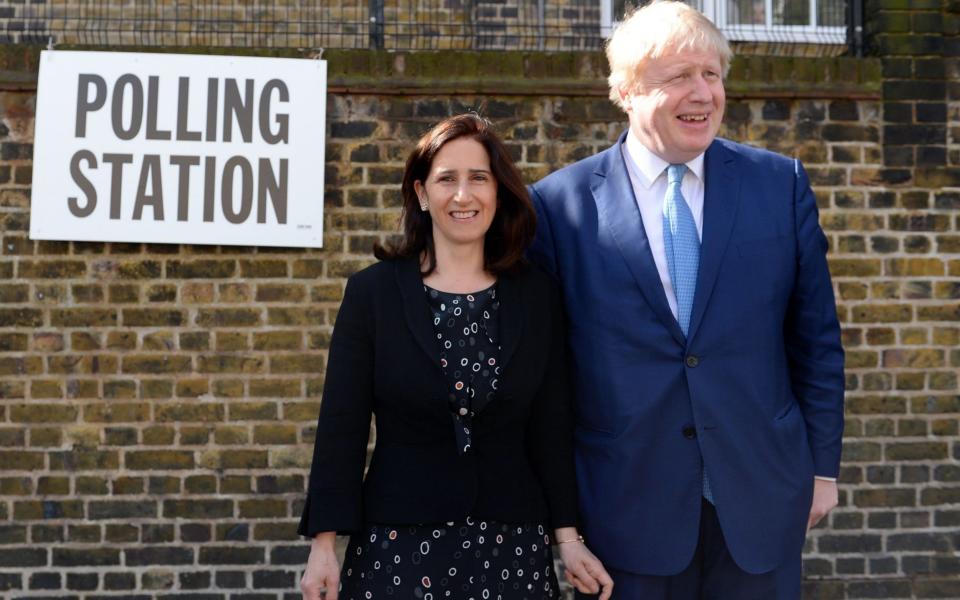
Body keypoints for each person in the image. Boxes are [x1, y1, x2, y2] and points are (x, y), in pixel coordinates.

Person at [527, 2, 845, 598]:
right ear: (625, 90)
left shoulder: (781, 186)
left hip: (761, 494)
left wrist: (822, 469)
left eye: (712, 74)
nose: (702, 92)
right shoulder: (559, 206)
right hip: (622, 507)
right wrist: (563, 521)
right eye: (678, 77)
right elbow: (548, 377)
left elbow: (816, 340)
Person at [298, 114, 613, 600]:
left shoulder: (537, 295)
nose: (463, 195)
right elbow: (343, 423)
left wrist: (568, 539)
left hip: (513, 548)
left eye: (479, 179)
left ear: (499, 192)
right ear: (422, 194)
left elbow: (551, 425)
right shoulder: (372, 294)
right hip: (397, 546)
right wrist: (324, 546)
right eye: (447, 179)